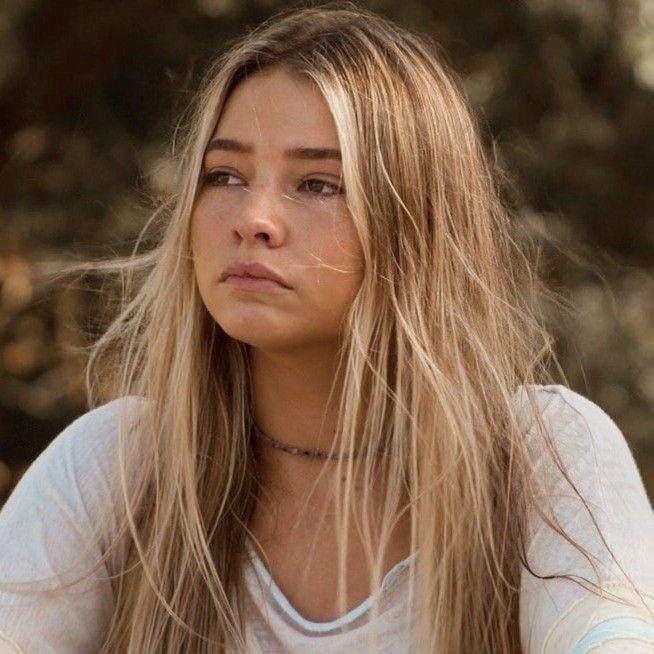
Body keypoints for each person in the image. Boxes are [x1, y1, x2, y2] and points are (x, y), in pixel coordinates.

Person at [0, 2, 653, 652]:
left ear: (413, 222)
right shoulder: (123, 467)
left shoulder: (540, 458)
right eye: (223, 175)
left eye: (317, 184)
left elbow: (609, 635)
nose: (253, 217)